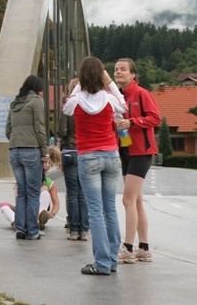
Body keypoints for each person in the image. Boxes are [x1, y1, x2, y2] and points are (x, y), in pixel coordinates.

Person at [63, 57, 127, 275]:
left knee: (96, 211)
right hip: (111, 155)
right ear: (102, 75)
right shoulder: (109, 99)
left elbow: (66, 107)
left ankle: (101, 263)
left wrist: (82, 82)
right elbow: (124, 105)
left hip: (88, 157)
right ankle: (112, 260)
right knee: (110, 209)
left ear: (81, 77)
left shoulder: (77, 100)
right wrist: (109, 82)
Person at [114, 57, 161, 264]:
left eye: (123, 69)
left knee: (127, 200)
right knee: (136, 200)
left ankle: (128, 248)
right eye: (116, 69)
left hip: (142, 151)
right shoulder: (117, 97)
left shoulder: (141, 94)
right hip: (125, 150)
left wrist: (132, 121)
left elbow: (155, 118)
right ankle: (144, 248)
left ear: (133, 74)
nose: (118, 72)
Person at [5, 74, 49, 241]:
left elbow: (8, 130)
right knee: (33, 192)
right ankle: (32, 231)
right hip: (31, 150)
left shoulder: (14, 103)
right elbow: (40, 127)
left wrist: (17, 141)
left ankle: (20, 229)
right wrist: (45, 152)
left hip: (14, 151)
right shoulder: (36, 101)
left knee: (21, 192)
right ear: (37, 88)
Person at [57, 77, 89, 241]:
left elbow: (61, 131)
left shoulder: (68, 105)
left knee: (72, 193)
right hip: (84, 151)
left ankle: (74, 230)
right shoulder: (90, 105)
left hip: (69, 152)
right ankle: (84, 230)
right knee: (83, 193)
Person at [0, 145, 60, 232]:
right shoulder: (23, 181)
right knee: (3, 205)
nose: (47, 166)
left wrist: (52, 213)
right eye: (44, 163)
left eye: (49, 164)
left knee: (45, 191)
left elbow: (56, 203)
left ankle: (37, 221)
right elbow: (20, 201)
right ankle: (16, 222)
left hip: (40, 212)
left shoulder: (50, 183)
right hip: (25, 210)